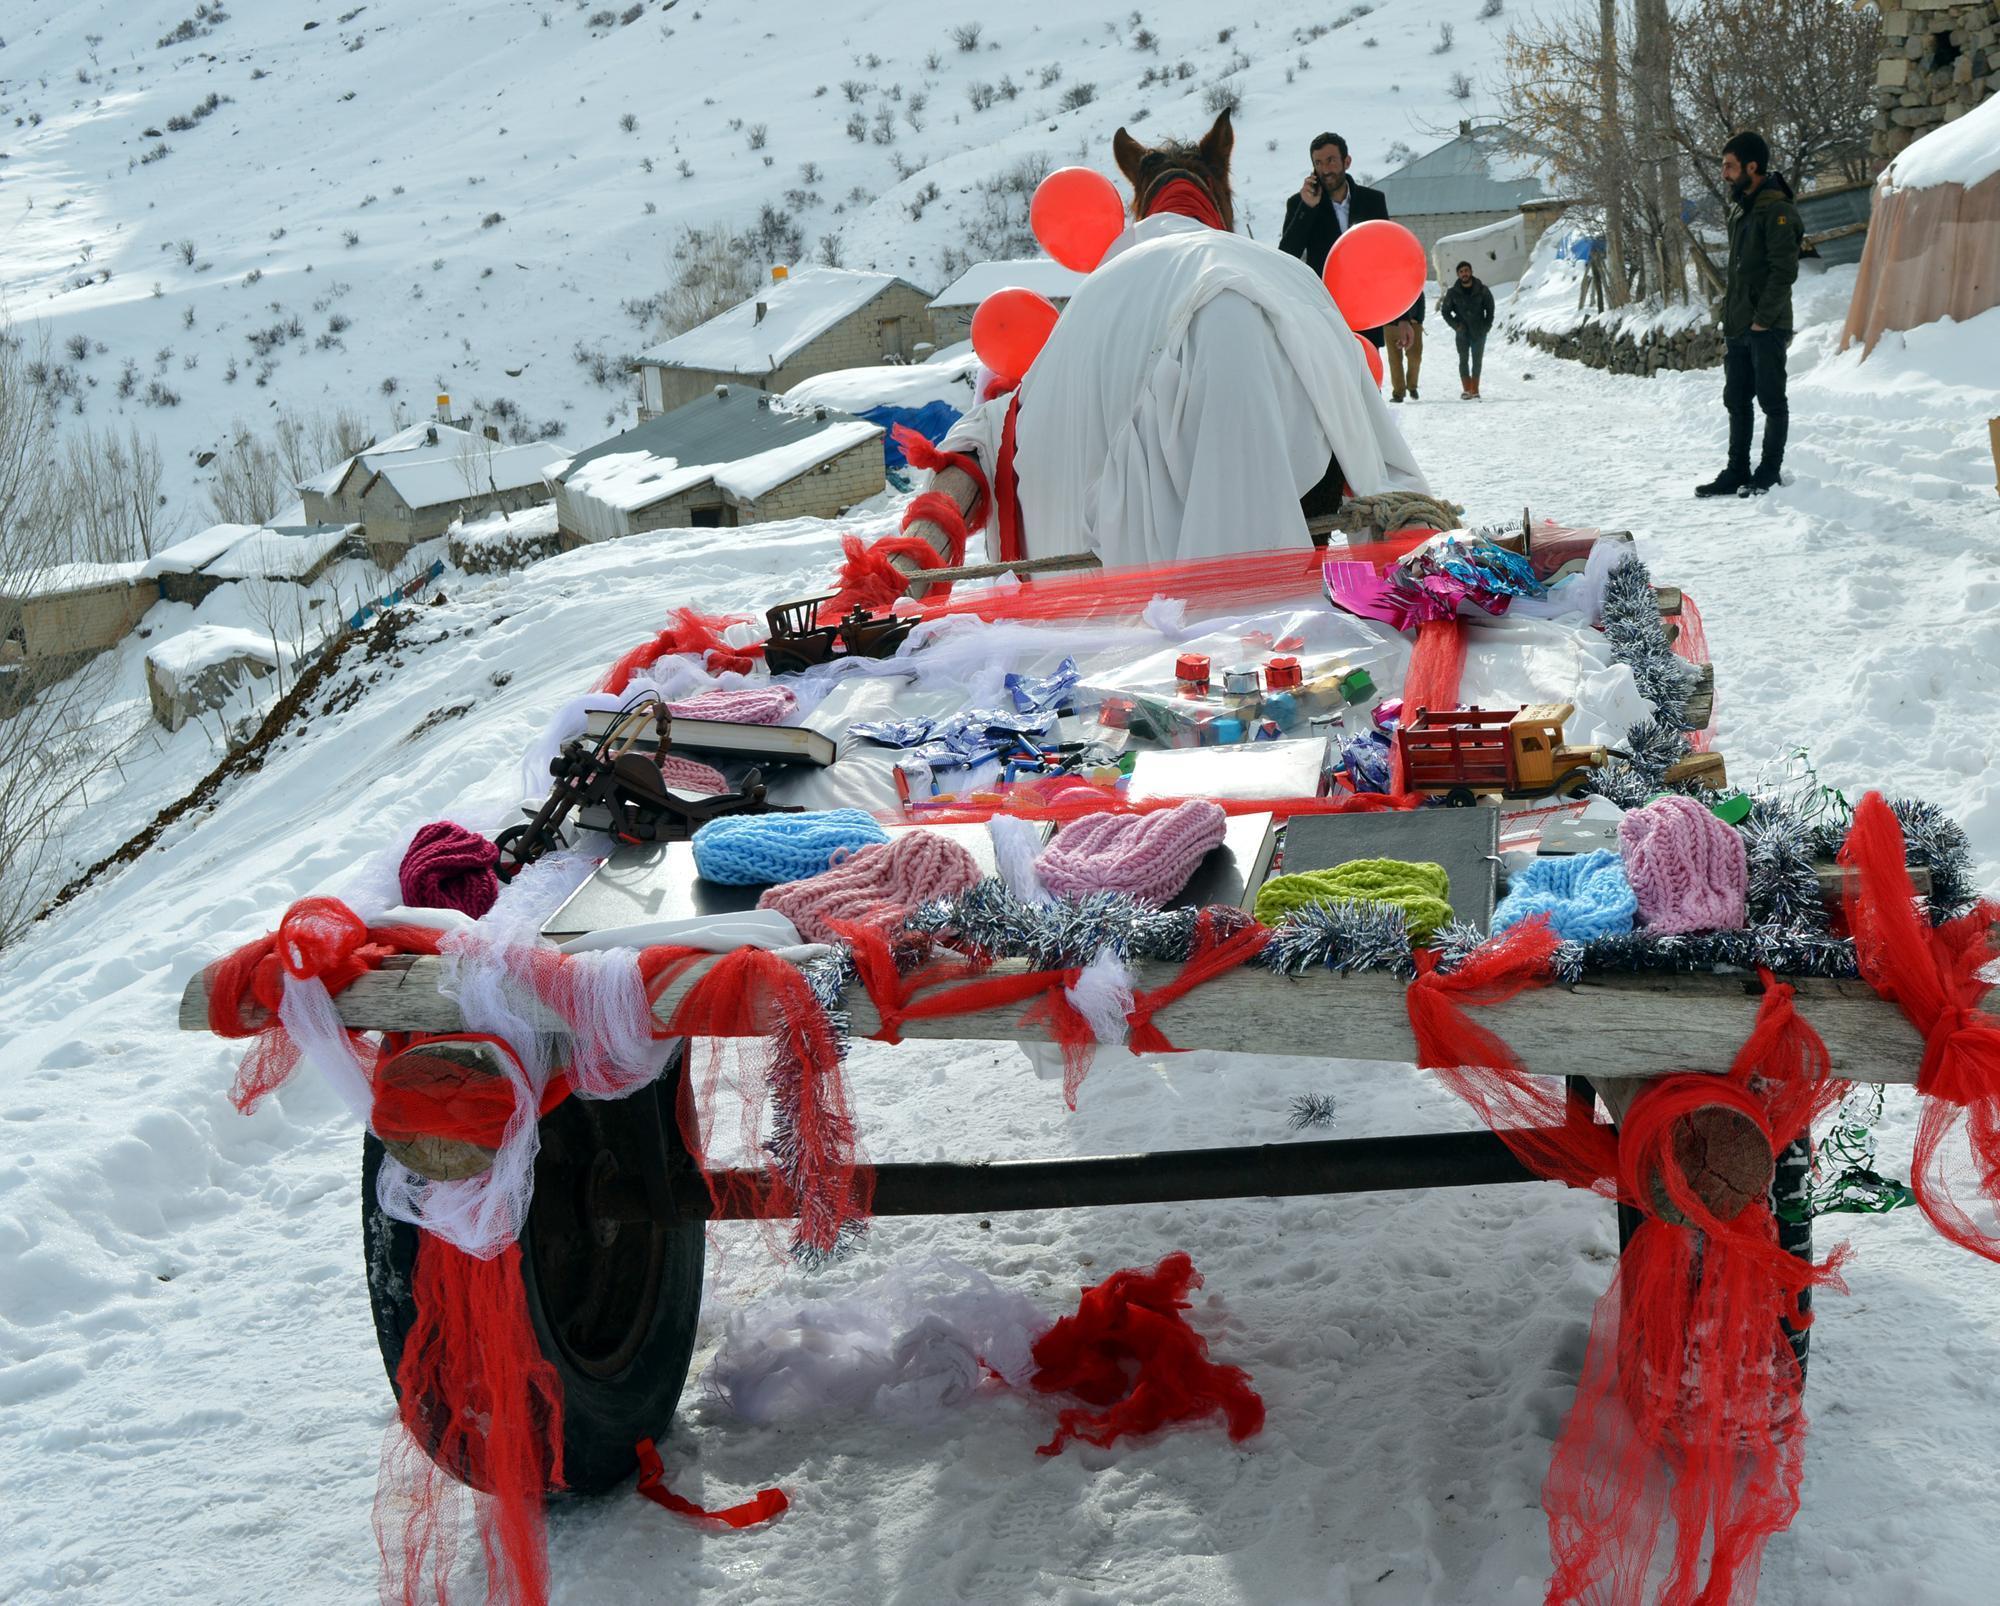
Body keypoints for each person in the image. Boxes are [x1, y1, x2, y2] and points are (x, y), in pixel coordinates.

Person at [1695, 130, 1803, 498]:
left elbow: (1783, 271)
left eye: (1729, 165)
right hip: (1740, 323)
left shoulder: (1778, 212)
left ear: (1752, 167)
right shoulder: (1743, 209)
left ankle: (1768, 471)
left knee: (1772, 400)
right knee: (1736, 400)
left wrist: (1763, 319)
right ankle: (1736, 469)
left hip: (1766, 325)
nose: (1724, 173)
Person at [1279, 132, 1390, 343]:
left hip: (1365, 314)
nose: (1325, 170)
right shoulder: (1300, 204)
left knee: (1367, 375)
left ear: (1346, 161)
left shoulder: (1373, 201)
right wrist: (1307, 208)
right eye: (1318, 163)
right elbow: (1287, 254)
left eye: (1331, 160)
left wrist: (1403, 319)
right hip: (1324, 314)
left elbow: (1388, 258)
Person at [1439, 260, 1494, 399]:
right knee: (1463, 360)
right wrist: (1456, 326)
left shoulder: (1482, 290)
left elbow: (1490, 310)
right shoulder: (1452, 293)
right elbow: (1445, 311)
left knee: (1477, 361)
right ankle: (1466, 389)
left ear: (1471, 272)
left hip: (1479, 332)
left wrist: (1486, 327)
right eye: (1461, 271)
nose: (1465, 274)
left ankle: (1474, 390)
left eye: (1467, 270)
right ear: (1458, 274)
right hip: (1462, 332)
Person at [1386, 292, 1424, 403]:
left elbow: (1420, 299)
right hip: (1390, 324)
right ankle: (1398, 393)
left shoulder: (1413, 282)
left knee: (1415, 358)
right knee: (1394, 361)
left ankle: (1412, 386)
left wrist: (1419, 320)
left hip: (1413, 324)